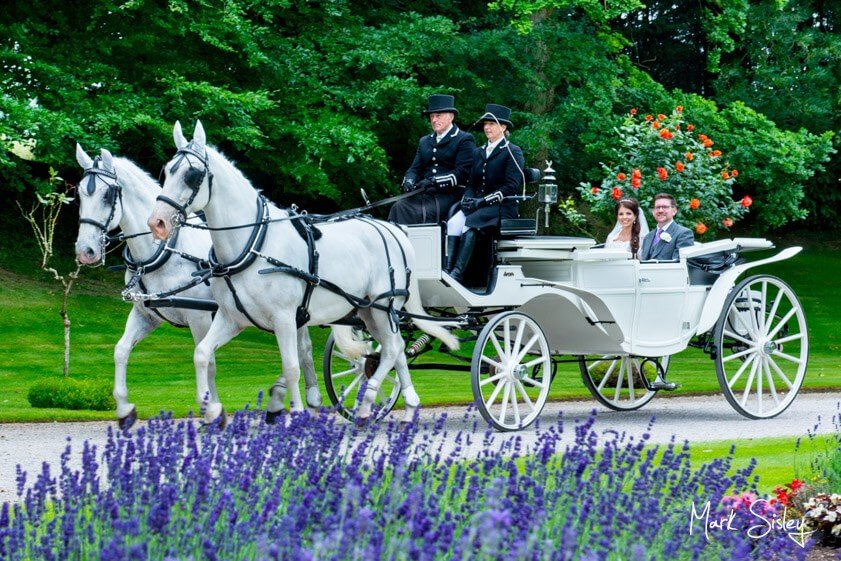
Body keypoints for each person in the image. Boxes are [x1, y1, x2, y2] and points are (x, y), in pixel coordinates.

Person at [446, 104, 525, 283]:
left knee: (470, 222)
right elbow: (471, 182)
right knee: (453, 223)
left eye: (492, 124)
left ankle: (458, 274)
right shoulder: (478, 152)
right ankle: (448, 269)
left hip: (502, 207)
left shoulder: (513, 152)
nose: (487, 128)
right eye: (485, 124)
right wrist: (468, 199)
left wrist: (480, 202)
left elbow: (510, 187)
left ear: (503, 127)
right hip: (477, 205)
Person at [388, 94, 476, 225]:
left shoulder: (464, 139)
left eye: (438, 116)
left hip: (450, 194)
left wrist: (433, 181)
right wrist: (409, 180)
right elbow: (414, 168)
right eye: (431, 116)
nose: (434, 120)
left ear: (450, 117)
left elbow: (463, 172)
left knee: (418, 212)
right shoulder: (424, 141)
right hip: (426, 193)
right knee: (398, 207)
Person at [640, 193, 694, 261]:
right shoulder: (648, 237)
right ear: (653, 211)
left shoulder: (684, 234)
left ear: (674, 211)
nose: (660, 210)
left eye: (665, 207)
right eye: (657, 207)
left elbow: (680, 263)